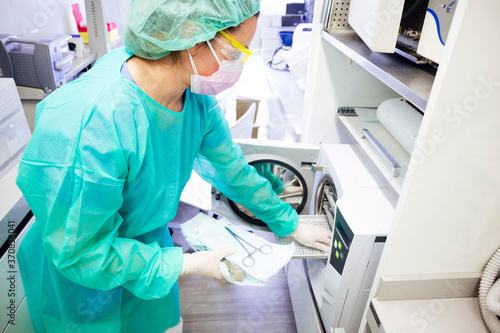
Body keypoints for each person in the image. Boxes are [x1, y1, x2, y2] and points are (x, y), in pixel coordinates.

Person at [16, 1, 331, 332]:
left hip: (148, 253)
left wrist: (289, 223)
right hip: (82, 278)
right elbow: (82, 253)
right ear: (195, 36)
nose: (241, 63)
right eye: (239, 51)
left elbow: (231, 170)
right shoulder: (96, 122)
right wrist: (185, 263)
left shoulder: (195, 100)